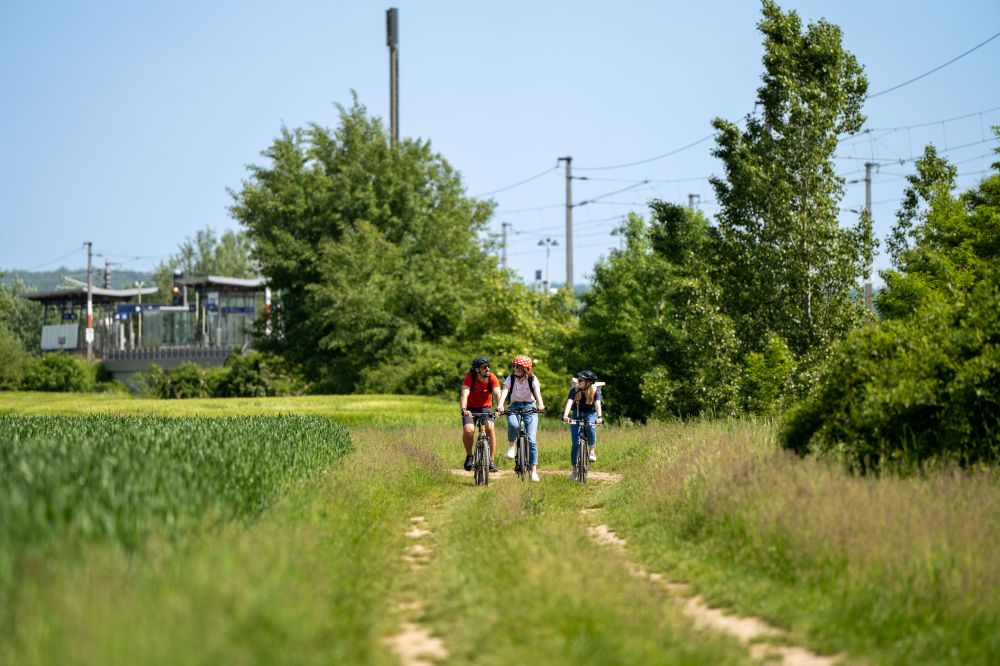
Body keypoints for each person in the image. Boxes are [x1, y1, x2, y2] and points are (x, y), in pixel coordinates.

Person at [496, 355, 545, 482]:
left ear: (526, 369)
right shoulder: (511, 378)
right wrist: (500, 405)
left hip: (530, 407)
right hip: (514, 406)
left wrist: (541, 405)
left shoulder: (532, 379)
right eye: (514, 366)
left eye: (518, 366)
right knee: (514, 425)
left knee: (532, 440)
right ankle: (512, 447)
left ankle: (533, 471)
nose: (515, 368)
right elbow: (505, 391)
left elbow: (537, 393)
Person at [460, 355, 501, 473]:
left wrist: (499, 407)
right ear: (477, 369)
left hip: (486, 408)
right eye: (484, 367)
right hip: (470, 409)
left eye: (488, 366)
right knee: (469, 430)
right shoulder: (470, 378)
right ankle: (469, 456)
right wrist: (464, 409)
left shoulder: (492, 377)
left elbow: (497, 393)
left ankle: (491, 461)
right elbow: (464, 394)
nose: (487, 369)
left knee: (490, 427)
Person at [561, 370, 603, 479]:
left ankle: (591, 451)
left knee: (590, 427)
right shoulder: (575, 389)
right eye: (578, 379)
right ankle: (574, 471)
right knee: (575, 443)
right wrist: (566, 416)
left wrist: (599, 417)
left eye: (581, 380)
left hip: (590, 414)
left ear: (588, 382)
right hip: (577, 414)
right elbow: (569, 402)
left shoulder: (596, 391)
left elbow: (598, 405)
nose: (578, 382)